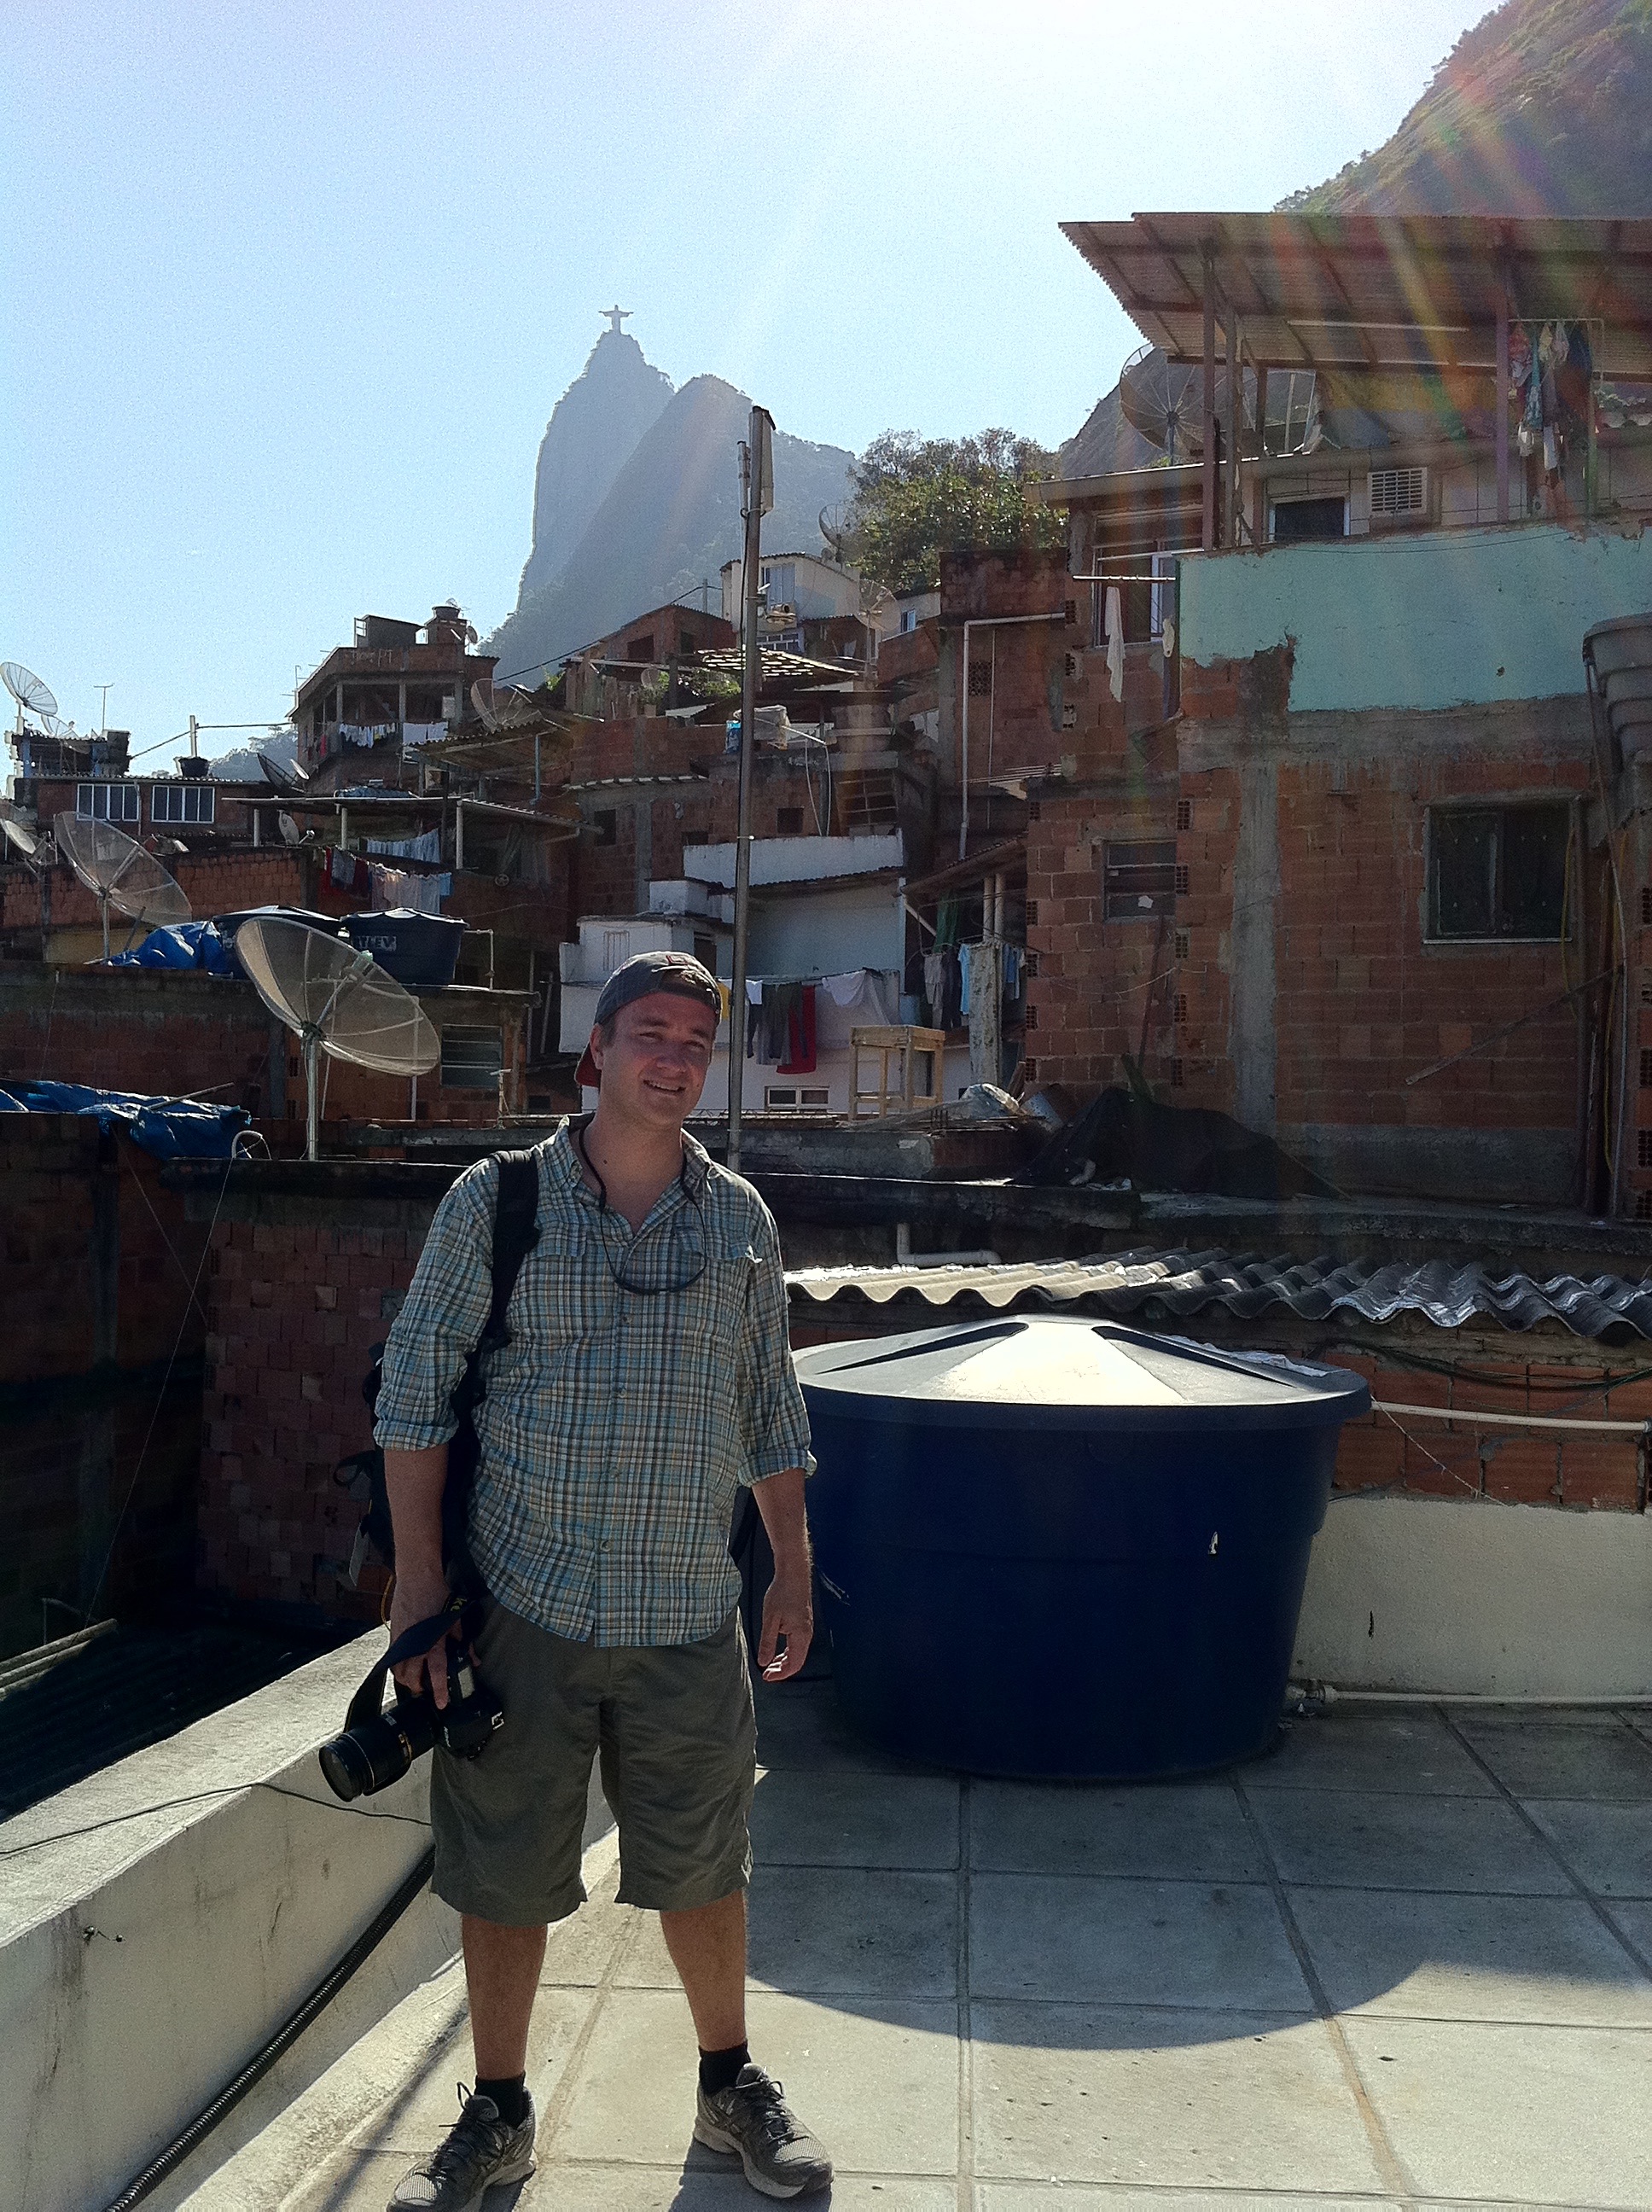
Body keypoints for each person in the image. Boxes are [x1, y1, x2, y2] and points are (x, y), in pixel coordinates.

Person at [374, 950, 833, 2208]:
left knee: (708, 1860)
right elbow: (411, 1398)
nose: (673, 1055)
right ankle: (501, 2111)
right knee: (503, 1866)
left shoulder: (740, 1217)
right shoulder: (498, 1202)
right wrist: (419, 1595)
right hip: (527, 1609)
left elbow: (768, 1408)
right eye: (651, 1031)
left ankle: (730, 2085)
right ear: (599, 1047)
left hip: (690, 1612)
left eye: (696, 1037)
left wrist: (791, 1567)